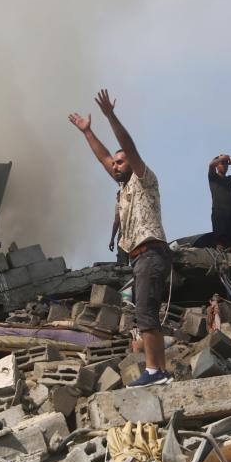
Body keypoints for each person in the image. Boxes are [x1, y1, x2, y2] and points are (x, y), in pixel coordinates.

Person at [69, 89, 172, 387]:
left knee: (145, 311)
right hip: (140, 256)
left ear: (133, 163)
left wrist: (110, 116)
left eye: (120, 161)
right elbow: (103, 156)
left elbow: (129, 146)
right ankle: (158, 370)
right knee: (144, 311)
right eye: (114, 163)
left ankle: (155, 372)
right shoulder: (123, 189)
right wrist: (87, 132)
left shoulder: (143, 179)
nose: (115, 164)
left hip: (151, 251)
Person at [109, 198, 129, 265]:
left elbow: (117, 221)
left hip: (124, 234)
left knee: (122, 261)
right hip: (137, 233)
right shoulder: (134, 202)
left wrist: (112, 239)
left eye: (118, 196)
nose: (116, 198)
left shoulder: (119, 204)